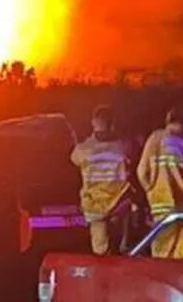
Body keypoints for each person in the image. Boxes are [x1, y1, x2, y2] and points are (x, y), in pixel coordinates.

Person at [137, 107, 183, 259]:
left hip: (164, 204)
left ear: (168, 118)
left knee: (162, 256)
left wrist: (150, 190)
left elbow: (142, 172)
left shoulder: (156, 138)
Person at [70, 105, 135, 255]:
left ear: (93, 123)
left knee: (101, 252)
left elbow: (73, 160)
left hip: (95, 205)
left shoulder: (83, 149)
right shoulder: (123, 147)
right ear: (112, 123)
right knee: (122, 251)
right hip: (118, 204)